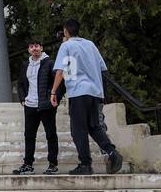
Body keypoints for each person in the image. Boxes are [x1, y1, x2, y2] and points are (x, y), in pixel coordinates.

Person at [50, 18, 124, 176]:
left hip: (78, 92)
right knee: (94, 126)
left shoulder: (66, 45)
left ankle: (85, 164)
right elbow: (102, 67)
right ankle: (112, 153)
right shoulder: (90, 44)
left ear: (66, 31)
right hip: (95, 92)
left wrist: (53, 91)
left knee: (78, 130)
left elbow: (60, 71)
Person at [13, 38, 61, 175]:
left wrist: (54, 97)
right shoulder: (25, 65)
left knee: (50, 134)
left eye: (36, 46)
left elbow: (58, 81)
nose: (34, 48)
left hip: (46, 105)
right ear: (29, 49)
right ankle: (28, 164)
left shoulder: (49, 63)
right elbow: (21, 83)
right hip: (30, 105)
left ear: (41, 47)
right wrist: (22, 99)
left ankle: (53, 164)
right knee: (29, 135)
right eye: (31, 46)